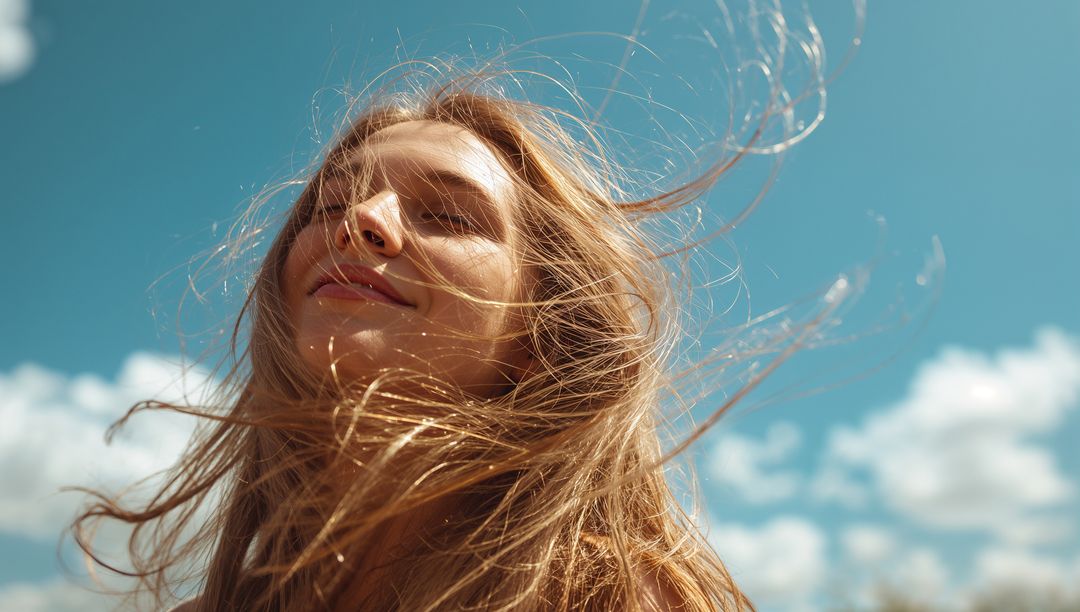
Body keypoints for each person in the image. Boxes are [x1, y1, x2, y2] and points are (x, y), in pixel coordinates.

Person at [73, 7, 848, 606]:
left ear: (535, 338)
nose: (359, 222)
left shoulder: (607, 597)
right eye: (329, 203)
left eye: (448, 215)